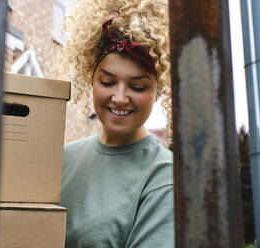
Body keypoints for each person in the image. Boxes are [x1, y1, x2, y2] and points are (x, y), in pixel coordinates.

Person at [55, 0, 173, 247]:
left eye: (137, 86)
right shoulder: (61, 160)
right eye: (107, 82)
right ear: (91, 78)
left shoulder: (163, 175)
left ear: (158, 90)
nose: (119, 98)